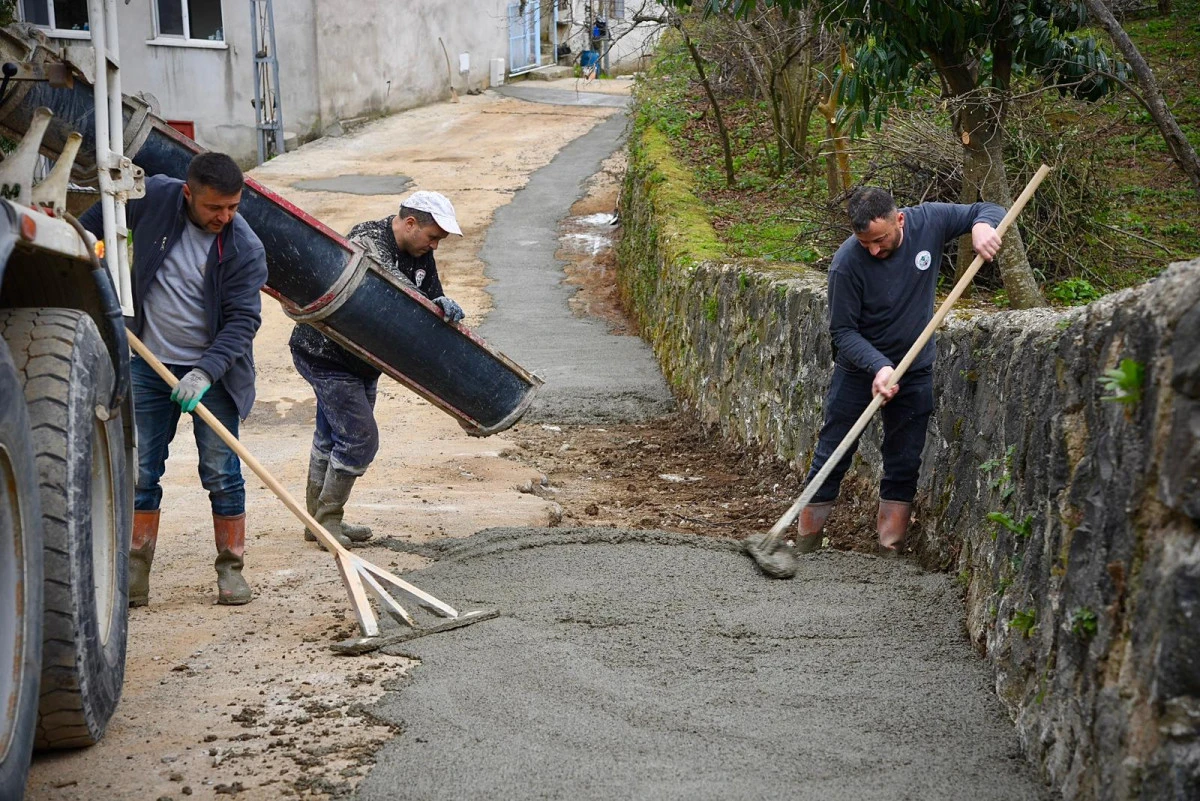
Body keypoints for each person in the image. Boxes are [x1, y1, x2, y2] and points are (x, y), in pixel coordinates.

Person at [82, 152, 268, 606]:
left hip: (215, 373)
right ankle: (135, 569)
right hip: (149, 362)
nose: (224, 216)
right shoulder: (157, 197)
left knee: (221, 472)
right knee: (142, 469)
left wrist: (205, 371)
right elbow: (95, 218)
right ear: (189, 194)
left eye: (233, 207)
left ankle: (231, 569)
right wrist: (86, 242)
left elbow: (243, 322)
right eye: (214, 208)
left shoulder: (244, 248)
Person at [795, 187, 1004, 555]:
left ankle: (889, 550)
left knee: (904, 459)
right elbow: (842, 332)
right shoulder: (846, 264)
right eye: (865, 243)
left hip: (915, 369)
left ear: (900, 220)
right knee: (833, 453)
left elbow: (986, 208)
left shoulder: (930, 221)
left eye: (880, 239)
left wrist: (983, 226)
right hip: (859, 372)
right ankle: (804, 542)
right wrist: (878, 366)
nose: (874, 250)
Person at [288, 190, 465, 548]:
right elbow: (392, 300)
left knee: (332, 435)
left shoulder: (419, 252)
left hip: (363, 362)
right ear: (411, 223)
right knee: (359, 438)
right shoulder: (368, 241)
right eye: (433, 238)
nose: (434, 247)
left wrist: (441, 305)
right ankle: (328, 521)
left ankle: (317, 520)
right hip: (325, 353)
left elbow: (427, 300)